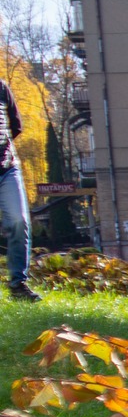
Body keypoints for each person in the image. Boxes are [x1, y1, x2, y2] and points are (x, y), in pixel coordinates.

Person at [0, 76, 37, 302]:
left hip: (7, 168)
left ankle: (18, 284)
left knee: (18, 220)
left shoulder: (2, 87)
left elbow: (16, 126)